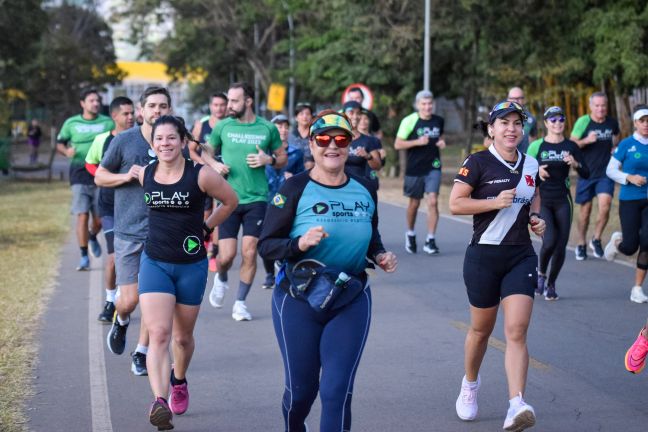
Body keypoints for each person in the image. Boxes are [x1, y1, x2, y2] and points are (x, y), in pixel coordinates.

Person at [258, 110, 397, 432]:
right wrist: (299, 244)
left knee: (337, 391)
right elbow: (266, 245)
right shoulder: (293, 188)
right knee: (301, 393)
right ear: (311, 143)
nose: (332, 146)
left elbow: (371, 233)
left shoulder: (365, 187)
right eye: (323, 139)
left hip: (350, 298)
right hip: (298, 299)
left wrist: (380, 254)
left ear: (350, 144)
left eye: (341, 139)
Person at [450, 100, 545, 431]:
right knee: (481, 330)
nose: (511, 128)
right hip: (483, 257)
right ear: (491, 129)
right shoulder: (477, 162)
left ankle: (516, 404)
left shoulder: (531, 164)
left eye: (517, 123)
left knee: (516, 330)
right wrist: (492, 202)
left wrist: (535, 217)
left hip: (520, 255)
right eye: (504, 123)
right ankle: (470, 384)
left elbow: (534, 195)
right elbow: (456, 203)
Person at [138, 115, 237, 431]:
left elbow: (230, 201)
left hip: (191, 265)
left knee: (182, 338)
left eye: (171, 138)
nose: (164, 143)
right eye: (159, 139)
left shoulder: (201, 175)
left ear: (182, 141)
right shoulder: (147, 174)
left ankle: (178, 380)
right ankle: (160, 401)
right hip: (154, 262)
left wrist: (206, 226)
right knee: (159, 334)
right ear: (152, 144)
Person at [96, 86, 173, 376]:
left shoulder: (173, 141)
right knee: (129, 299)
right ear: (141, 111)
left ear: (169, 109)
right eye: (152, 105)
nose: (157, 111)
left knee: (154, 299)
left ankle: (142, 352)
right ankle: (122, 319)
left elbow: (193, 164)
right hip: (129, 230)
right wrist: (125, 176)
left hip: (164, 231)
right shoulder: (125, 141)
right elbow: (101, 175)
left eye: (163, 106)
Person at [204, 81, 287, 321]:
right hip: (228, 199)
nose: (229, 105)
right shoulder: (223, 126)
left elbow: (282, 158)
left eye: (234, 101)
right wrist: (216, 164)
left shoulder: (267, 128)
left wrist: (268, 160)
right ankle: (221, 278)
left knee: (250, 252)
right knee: (226, 256)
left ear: (248, 101)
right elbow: (206, 151)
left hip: (257, 199)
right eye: (229, 100)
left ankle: (240, 302)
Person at [526, 106, 589, 300]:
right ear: (546, 123)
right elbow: (524, 171)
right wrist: (538, 171)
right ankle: (541, 274)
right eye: (552, 120)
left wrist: (575, 164)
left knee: (561, 246)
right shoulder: (537, 146)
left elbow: (587, 173)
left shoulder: (571, 146)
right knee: (550, 241)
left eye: (561, 119)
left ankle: (551, 284)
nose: (557, 123)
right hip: (543, 199)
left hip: (563, 200)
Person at [85, 96, 135, 322]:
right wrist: (105, 177)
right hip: (109, 206)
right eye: (126, 113)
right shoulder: (103, 140)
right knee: (114, 258)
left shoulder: (141, 138)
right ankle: (109, 301)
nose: (131, 116)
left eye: (133, 112)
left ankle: (132, 299)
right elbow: (90, 161)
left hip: (134, 208)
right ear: (114, 116)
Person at [57, 88, 114, 270]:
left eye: (97, 100)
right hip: (79, 172)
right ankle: (83, 255)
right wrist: (66, 151)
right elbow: (60, 142)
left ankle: (91, 236)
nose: (95, 103)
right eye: (91, 100)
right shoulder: (71, 123)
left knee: (99, 219)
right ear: (83, 103)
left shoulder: (108, 122)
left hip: (101, 171)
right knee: (82, 215)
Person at [604, 104, 648, 303]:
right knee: (631, 246)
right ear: (635, 123)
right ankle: (617, 242)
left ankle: (637, 288)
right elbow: (610, 170)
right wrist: (629, 177)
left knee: (647, 243)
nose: (646, 124)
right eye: (642, 121)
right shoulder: (626, 144)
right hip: (630, 199)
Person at [394, 90, 446, 255]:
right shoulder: (409, 121)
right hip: (414, 168)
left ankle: (430, 240)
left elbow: (440, 137)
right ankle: (410, 232)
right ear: (417, 105)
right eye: (423, 104)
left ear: (433, 105)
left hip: (434, 166)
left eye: (430, 103)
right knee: (414, 204)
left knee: (432, 201)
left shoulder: (439, 121)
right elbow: (398, 144)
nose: (427, 107)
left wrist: (442, 142)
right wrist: (417, 141)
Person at [571, 91, 620, 260]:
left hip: (605, 174)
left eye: (603, 105)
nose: (600, 108)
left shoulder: (612, 122)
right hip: (586, 173)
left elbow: (616, 138)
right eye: (597, 105)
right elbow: (571, 143)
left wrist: (615, 149)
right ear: (591, 106)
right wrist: (585, 141)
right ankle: (581, 243)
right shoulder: (583, 122)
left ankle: (596, 238)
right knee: (585, 212)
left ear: (607, 106)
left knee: (605, 206)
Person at [261, 114, 305, 290]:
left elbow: (303, 176)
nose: (283, 130)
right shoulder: (262, 151)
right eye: (279, 126)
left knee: (286, 235)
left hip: (287, 200)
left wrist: (293, 177)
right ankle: (269, 274)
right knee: (266, 236)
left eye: (286, 126)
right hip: (266, 198)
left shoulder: (296, 153)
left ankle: (285, 267)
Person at [190, 92, 228, 273]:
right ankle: (203, 244)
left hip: (225, 175)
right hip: (204, 174)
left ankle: (213, 252)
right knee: (206, 213)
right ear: (211, 106)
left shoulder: (231, 125)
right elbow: (191, 150)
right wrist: (207, 164)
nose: (219, 108)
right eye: (216, 105)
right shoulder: (201, 125)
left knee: (219, 212)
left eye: (223, 105)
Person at [342, 101, 382, 180]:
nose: (355, 116)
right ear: (344, 115)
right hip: (338, 186)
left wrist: (368, 156)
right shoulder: (336, 138)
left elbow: (377, 166)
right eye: (351, 113)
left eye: (358, 113)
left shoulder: (368, 140)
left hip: (360, 185)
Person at [507, 87, 537, 153]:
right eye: (512, 98)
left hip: (524, 158)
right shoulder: (499, 117)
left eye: (519, 98)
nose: (516, 101)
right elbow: (487, 142)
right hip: (503, 158)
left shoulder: (531, 119)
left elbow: (533, 142)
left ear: (524, 100)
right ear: (508, 99)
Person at [288, 102, 315, 169]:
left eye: (308, 114)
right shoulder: (290, 136)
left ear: (311, 117)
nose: (305, 116)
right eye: (301, 114)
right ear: (296, 118)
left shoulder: (316, 135)